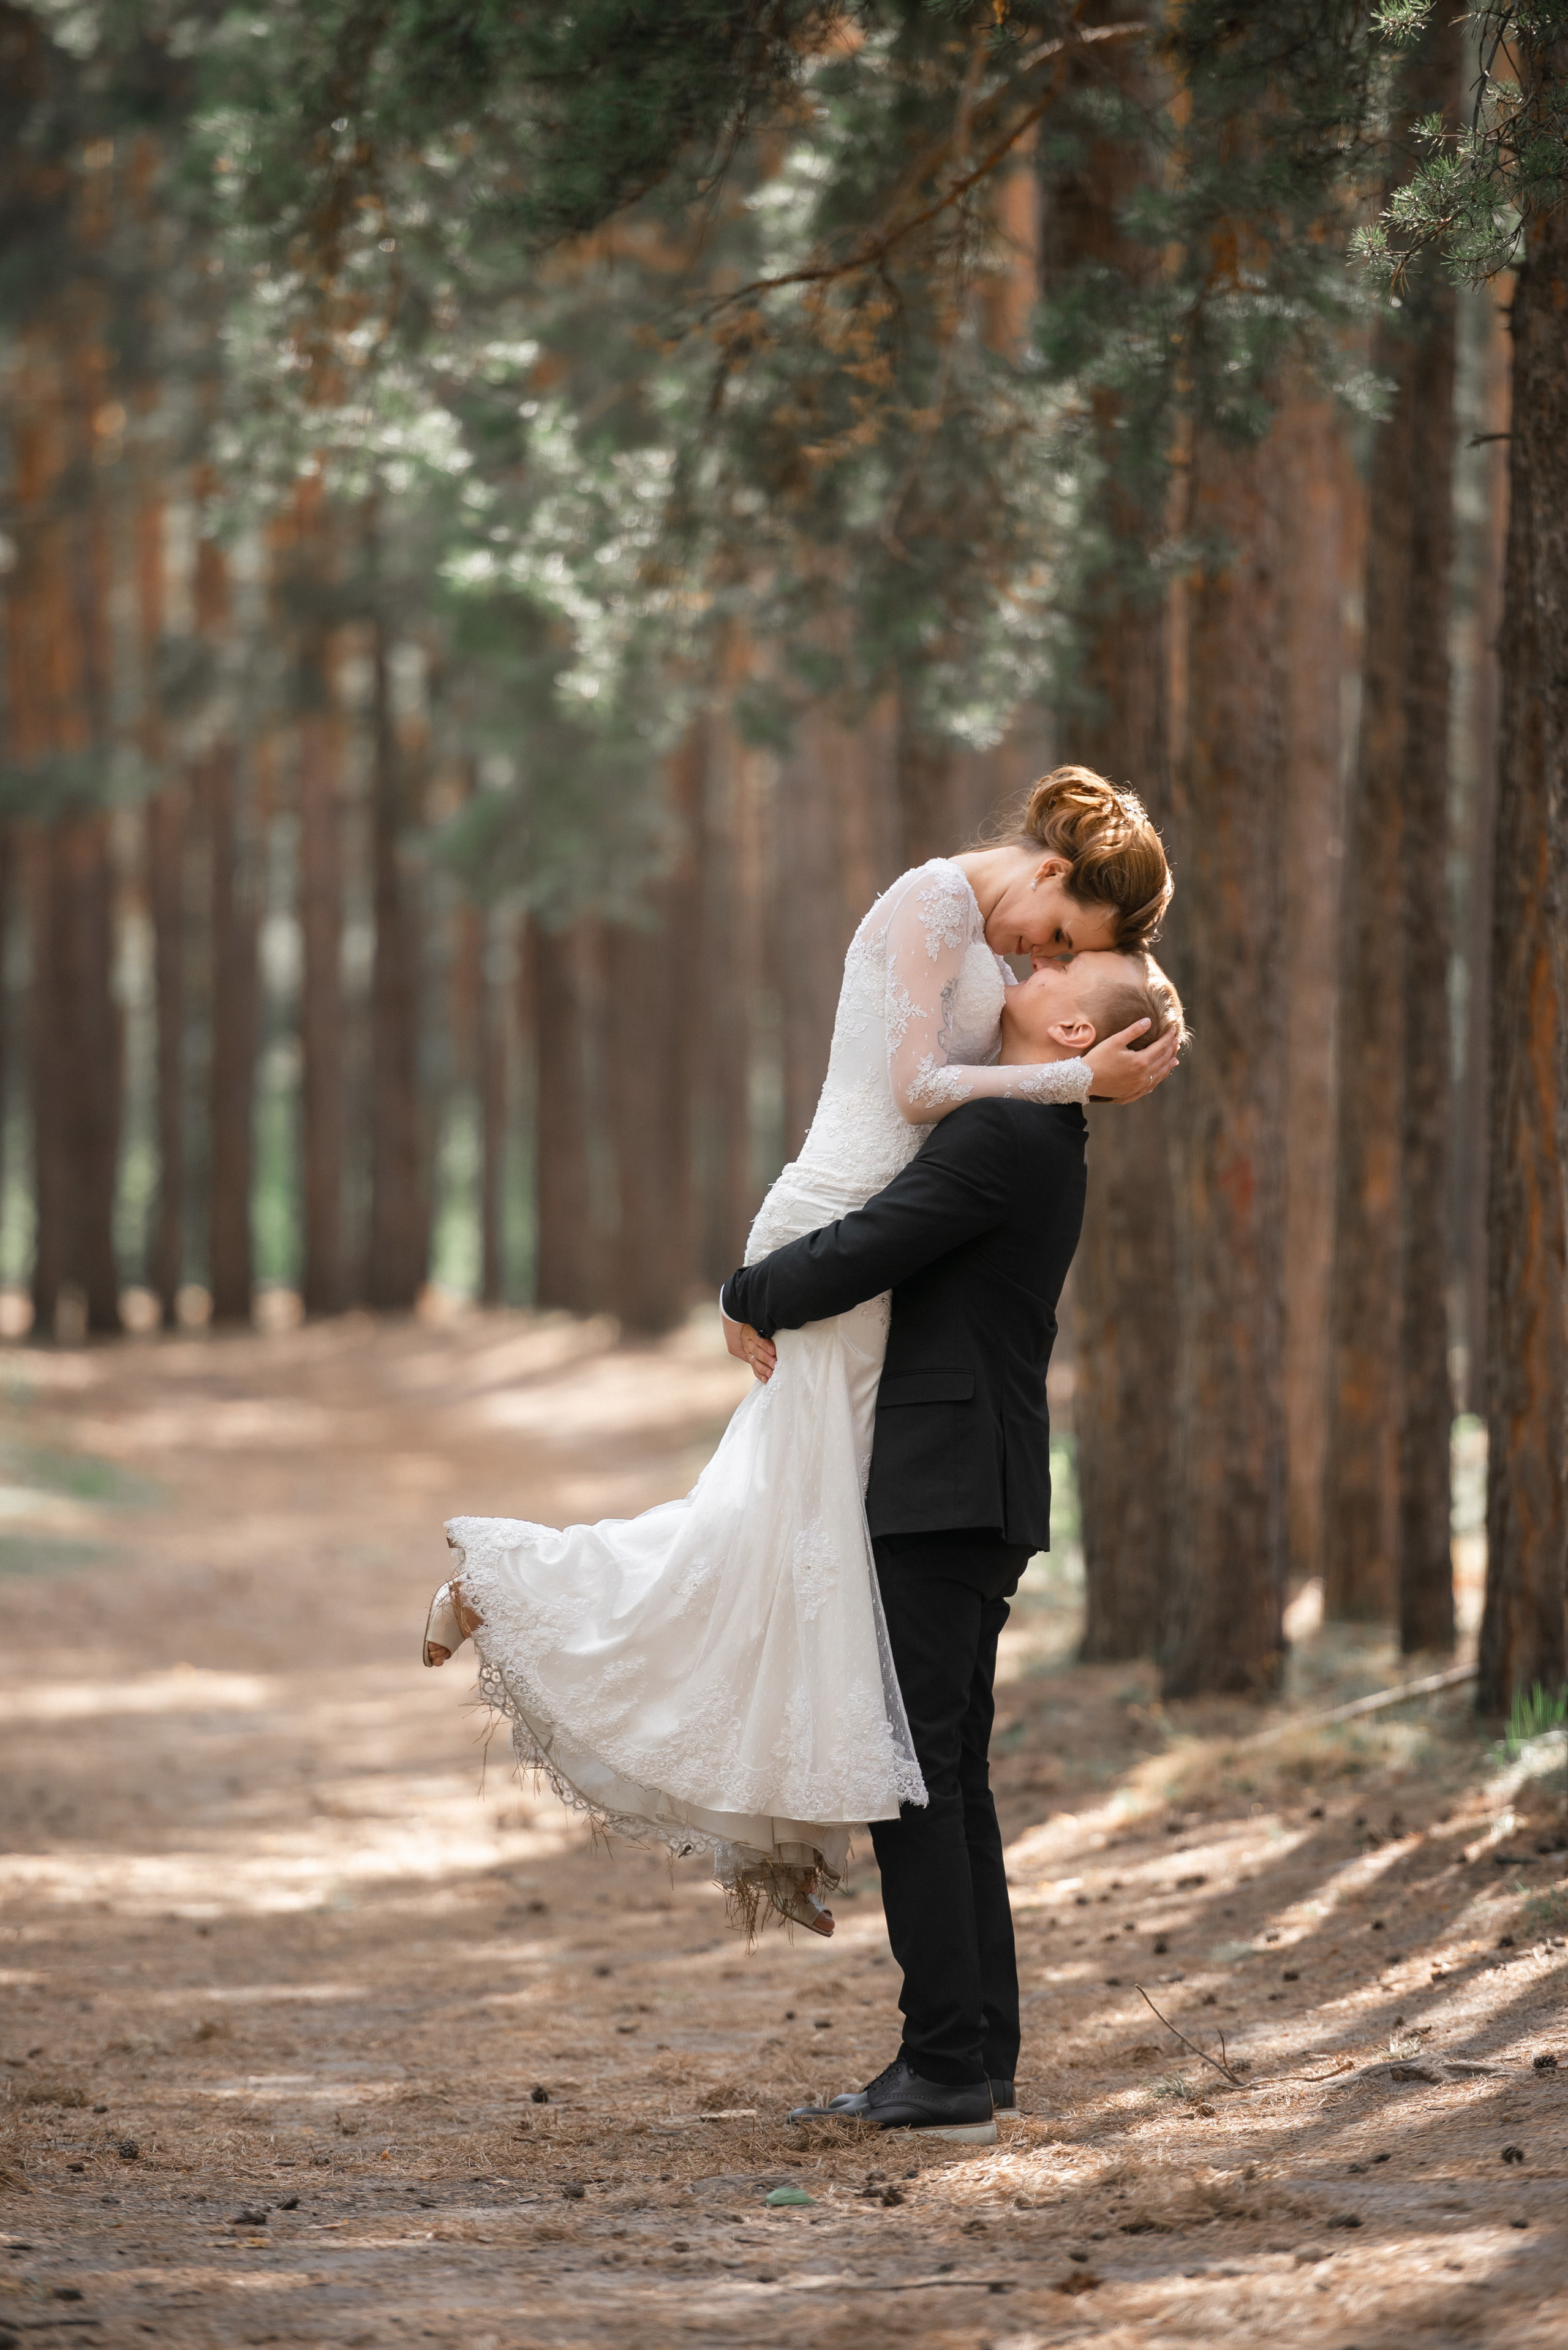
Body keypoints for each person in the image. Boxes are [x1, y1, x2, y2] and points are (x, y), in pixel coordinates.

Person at [422, 768, 1175, 1934]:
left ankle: (785, 1837)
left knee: (801, 1540)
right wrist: (1083, 1074)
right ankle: (516, 1586)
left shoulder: (991, 949)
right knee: (787, 1533)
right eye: (1058, 933)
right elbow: (917, 1088)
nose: (1036, 959)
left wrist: (1109, 1046)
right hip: (838, 1233)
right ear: (1053, 871)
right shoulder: (933, 902)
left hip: (886, 1250)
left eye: (1059, 957)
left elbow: (1018, 1063)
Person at [723, 949, 1186, 2142]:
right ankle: (974, 2059)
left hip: (940, 1489)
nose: (1028, 962)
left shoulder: (1005, 1138)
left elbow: (876, 1239)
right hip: (977, 1487)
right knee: (949, 1777)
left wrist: (749, 1288)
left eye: (1055, 964)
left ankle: (942, 2064)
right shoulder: (1040, 1132)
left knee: (912, 1775)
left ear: (1073, 1020)